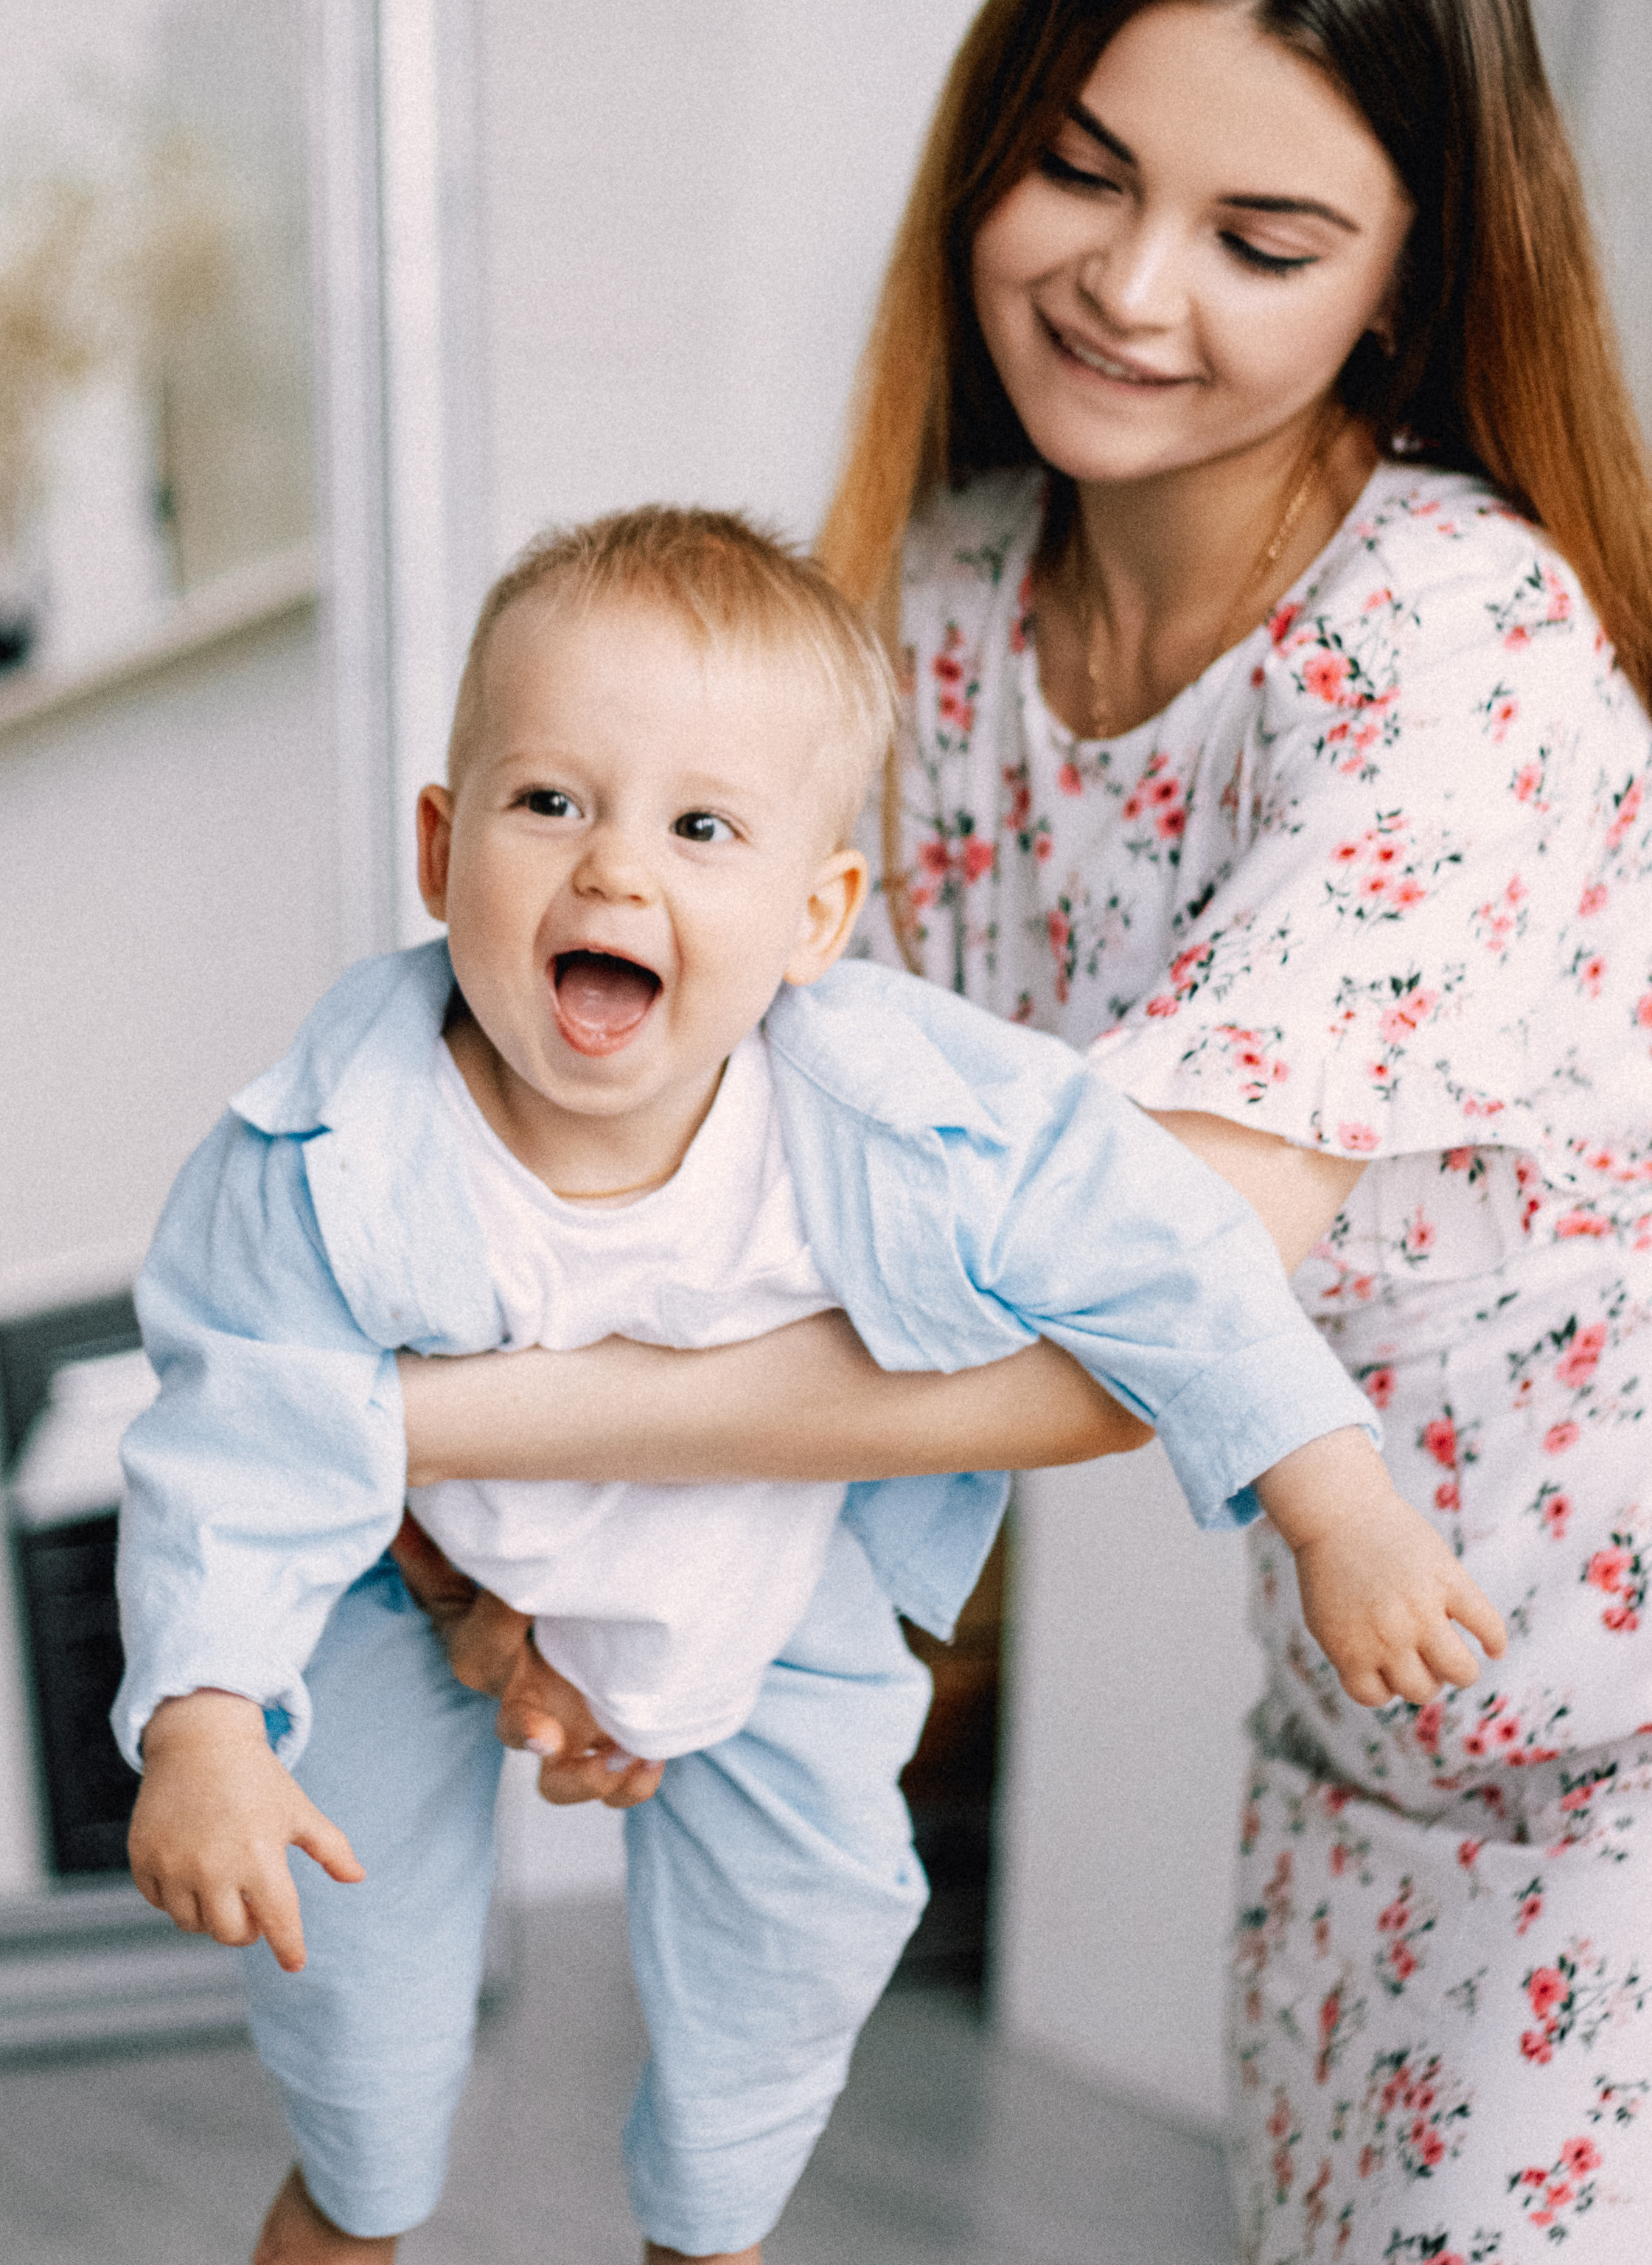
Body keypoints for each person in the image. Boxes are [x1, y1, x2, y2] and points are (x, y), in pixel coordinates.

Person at [116, 505, 1500, 2265]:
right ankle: (348, 2203)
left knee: (794, 1959)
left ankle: (709, 2229)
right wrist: (207, 1718)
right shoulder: (324, 1147)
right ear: (440, 848)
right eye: (549, 802)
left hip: (772, 1589)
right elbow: (231, 1441)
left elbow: (1162, 1244)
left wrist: (1335, 1500)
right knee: (351, 1996)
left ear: (812, 915)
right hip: (405, 1586)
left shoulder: (896, 1104)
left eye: (700, 828)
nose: (614, 873)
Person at [807, 0, 1652, 2261]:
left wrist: (479, 1422)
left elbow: (1128, 1307)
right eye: (1080, 171)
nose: (1131, 285)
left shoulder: (1453, 639)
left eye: (1263, 242)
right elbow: (825, 1195)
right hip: (1361, 1755)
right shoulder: (944, 611)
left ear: (1400, 288)